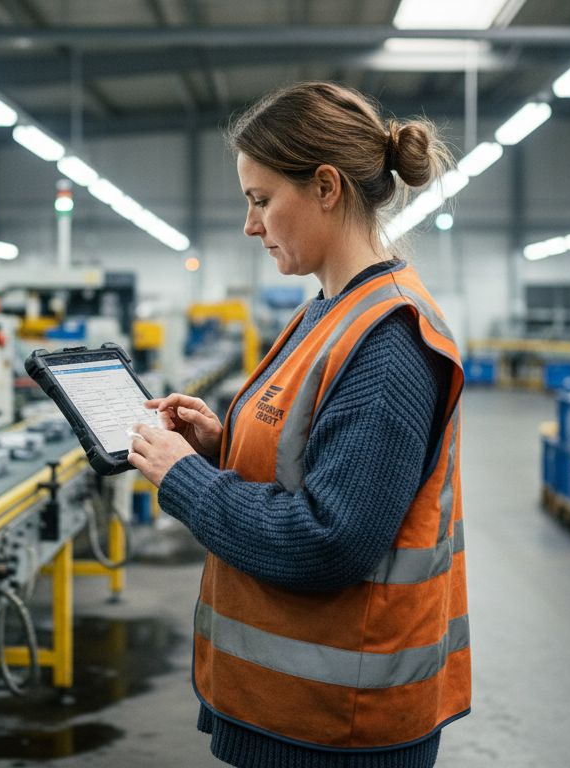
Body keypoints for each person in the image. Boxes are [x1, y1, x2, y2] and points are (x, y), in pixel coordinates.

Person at [127, 81, 469, 768]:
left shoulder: (387, 340)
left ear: (324, 187)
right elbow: (318, 460)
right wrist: (219, 446)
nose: (250, 225)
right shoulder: (329, 310)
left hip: (340, 726)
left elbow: (328, 541)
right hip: (293, 711)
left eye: (260, 200)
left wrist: (184, 479)